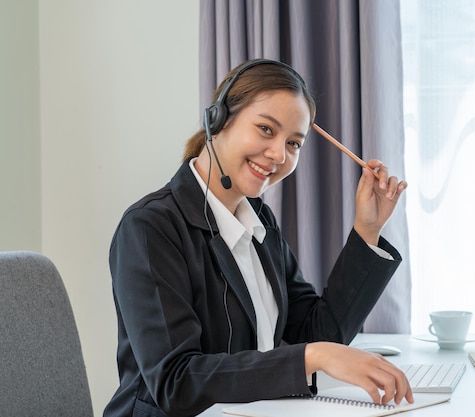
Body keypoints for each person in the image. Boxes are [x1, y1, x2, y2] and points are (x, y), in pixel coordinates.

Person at [104, 59, 411, 417]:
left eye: (294, 143)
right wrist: (312, 357)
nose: (279, 155)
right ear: (218, 121)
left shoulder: (259, 220)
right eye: (266, 129)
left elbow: (316, 332)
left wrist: (367, 231)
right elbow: (176, 382)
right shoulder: (150, 227)